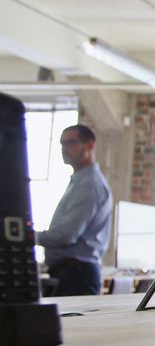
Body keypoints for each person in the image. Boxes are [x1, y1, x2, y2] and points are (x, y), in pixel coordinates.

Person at [36, 124, 112, 296]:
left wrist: (26, 237)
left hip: (77, 276)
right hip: (71, 274)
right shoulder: (80, 182)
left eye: (70, 142)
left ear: (90, 145)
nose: (64, 149)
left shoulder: (89, 184)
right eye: (62, 144)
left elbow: (67, 235)